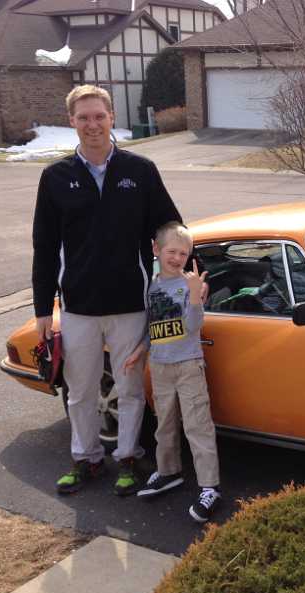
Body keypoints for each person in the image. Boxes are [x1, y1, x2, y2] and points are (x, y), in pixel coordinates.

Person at [32, 84, 181, 496]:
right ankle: (86, 459)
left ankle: (128, 458)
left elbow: (171, 228)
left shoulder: (141, 171)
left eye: (99, 116)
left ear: (112, 117)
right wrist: (42, 308)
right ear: (72, 121)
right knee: (80, 391)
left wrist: (189, 280)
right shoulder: (55, 177)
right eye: (83, 117)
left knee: (130, 389)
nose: (92, 124)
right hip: (78, 307)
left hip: (130, 304)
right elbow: (44, 247)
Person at [125, 222, 222, 523]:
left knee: (197, 425)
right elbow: (153, 328)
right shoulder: (152, 286)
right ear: (156, 249)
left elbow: (193, 326)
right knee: (164, 424)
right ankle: (168, 471)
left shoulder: (190, 286)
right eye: (172, 251)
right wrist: (140, 350)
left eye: (183, 253)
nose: (177, 258)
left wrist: (194, 296)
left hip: (188, 364)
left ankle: (210, 487)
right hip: (160, 366)